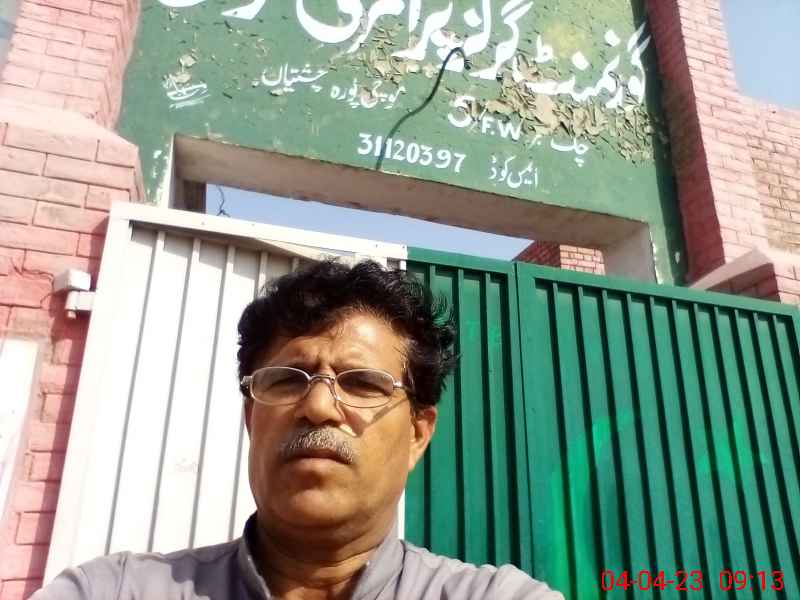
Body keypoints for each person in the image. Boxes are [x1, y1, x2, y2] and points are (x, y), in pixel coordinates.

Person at [33, 259, 563, 599]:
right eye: (287, 379)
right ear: (251, 418)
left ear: (418, 434)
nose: (318, 406)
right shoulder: (113, 590)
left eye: (362, 383)